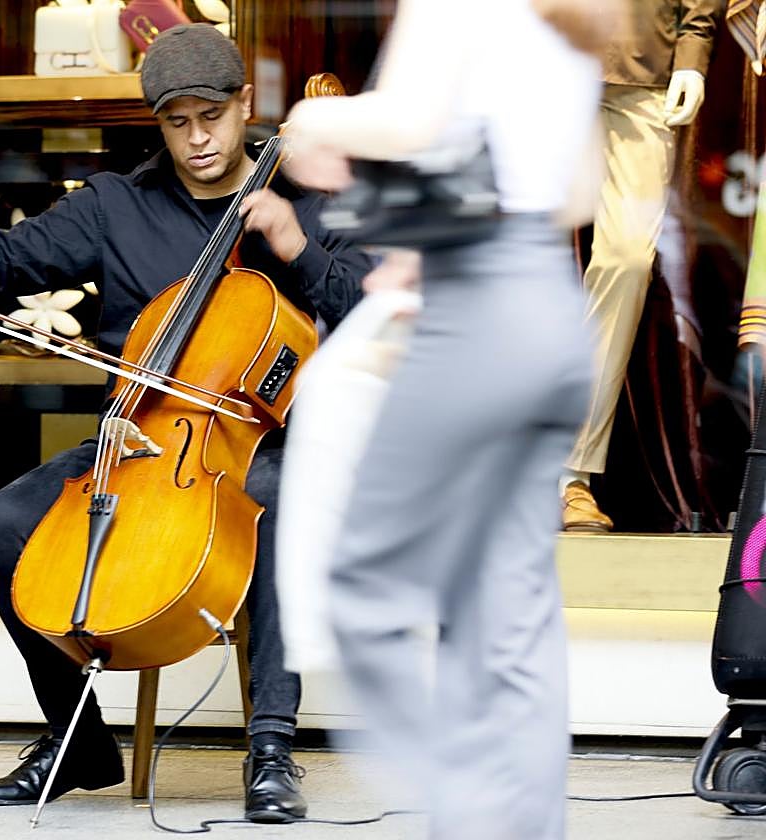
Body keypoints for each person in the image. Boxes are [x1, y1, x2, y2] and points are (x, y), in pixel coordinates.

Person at [0, 23, 373, 823]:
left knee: (286, 502)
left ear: (245, 105)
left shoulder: (309, 206)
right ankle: (76, 740)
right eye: (177, 122)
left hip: (269, 440)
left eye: (211, 117)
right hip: (143, 436)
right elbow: (17, 253)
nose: (197, 140)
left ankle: (272, 747)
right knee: (6, 524)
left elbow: (369, 314)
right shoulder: (118, 204)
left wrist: (297, 248)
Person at [281, 0, 615, 837]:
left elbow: (412, 119)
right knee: (508, 619)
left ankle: (467, 816)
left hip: (474, 315)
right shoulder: (571, 17)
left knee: (364, 588)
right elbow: (577, 195)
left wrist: (311, 117)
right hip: (546, 310)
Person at [560, 0, 721, 532]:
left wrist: (692, 54)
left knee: (628, 259)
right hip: (538, 62)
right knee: (498, 252)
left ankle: (568, 472)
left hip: (640, 60)